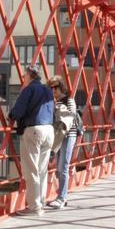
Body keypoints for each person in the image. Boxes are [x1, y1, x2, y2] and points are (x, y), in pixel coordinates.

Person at [9, 65, 55, 216]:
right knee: (42, 170)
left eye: (24, 75)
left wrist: (11, 116)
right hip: (49, 130)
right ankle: (40, 202)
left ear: (29, 75)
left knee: (31, 170)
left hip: (34, 130)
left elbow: (18, 110)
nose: (23, 78)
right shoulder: (48, 90)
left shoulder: (28, 89)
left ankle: (34, 207)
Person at [47, 76, 78, 210]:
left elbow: (72, 116)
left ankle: (62, 198)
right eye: (51, 88)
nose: (53, 90)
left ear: (61, 87)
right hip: (59, 136)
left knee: (63, 166)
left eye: (55, 87)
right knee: (59, 168)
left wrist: (58, 110)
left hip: (68, 135)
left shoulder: (69, 100)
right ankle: (61, 197)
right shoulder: (56, 101)